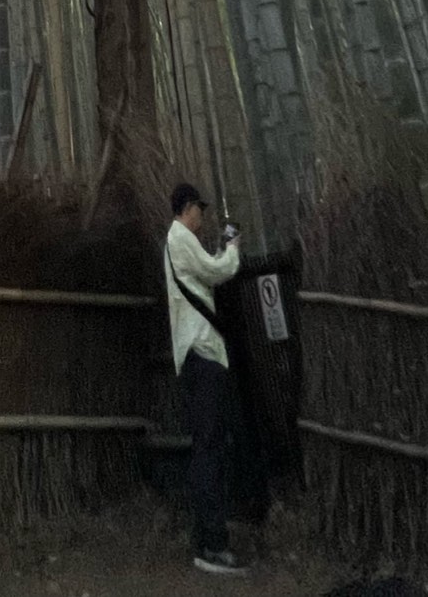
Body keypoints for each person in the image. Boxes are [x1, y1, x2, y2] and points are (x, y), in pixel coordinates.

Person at [165, 179, 246, 575]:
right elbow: (216, 272)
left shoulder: (181, 243)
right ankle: (211, 544)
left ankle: (208, 539)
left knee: (207, 446)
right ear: (186, 207)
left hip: (199, 353)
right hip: (202, 353)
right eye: (200, 208)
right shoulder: (179, 237)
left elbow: (202, 274)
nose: (203, 216)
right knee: (209, 449)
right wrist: (232, 248)